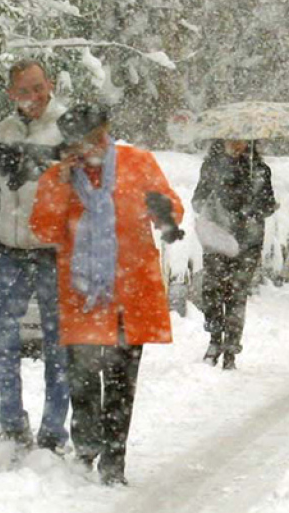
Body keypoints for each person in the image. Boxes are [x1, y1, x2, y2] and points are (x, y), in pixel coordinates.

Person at [29, 104, 185, 486]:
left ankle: (114, 461)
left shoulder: (136, 163)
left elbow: (171, 210)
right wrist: (62, 184)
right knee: (82, 379)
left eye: (99, 135)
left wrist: (165, 213)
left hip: (131, 292)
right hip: (83, 294)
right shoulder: (59, 178)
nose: (95, 145)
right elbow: (44, 230)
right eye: (86, 141)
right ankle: (86, 451)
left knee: (120, 381)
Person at [0, 60, 69, 463]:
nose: (32, 97)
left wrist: (41, 170)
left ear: (49, 85)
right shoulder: (3, 133)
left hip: (56, 254)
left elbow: (87, 192)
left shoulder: (70, 128)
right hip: (12, 252)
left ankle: (53, 434)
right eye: (23, 90)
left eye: (37, 87)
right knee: (2, 339)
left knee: (58, 344)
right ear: (10, 94)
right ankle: (12, 426)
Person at [192, 138, 276, 368]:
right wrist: (214, 203)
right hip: (217, 239)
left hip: (248, 242)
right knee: (212, 291)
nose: (237, 145)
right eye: (232, 140)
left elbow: (268, 205)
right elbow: (197, 200)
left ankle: (231, 348)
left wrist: (253, 205)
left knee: (236, 295)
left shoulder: (259, 170)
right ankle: (214, 339)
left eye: (242, 141)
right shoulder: (212, 167)